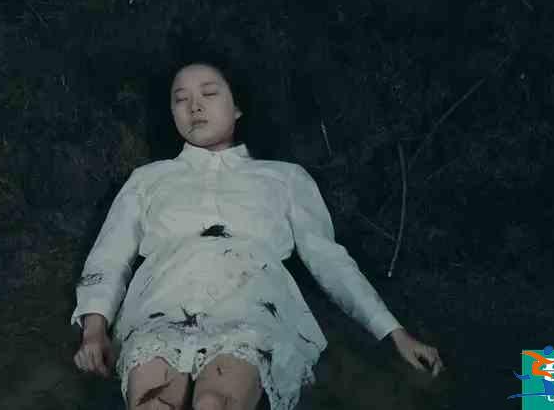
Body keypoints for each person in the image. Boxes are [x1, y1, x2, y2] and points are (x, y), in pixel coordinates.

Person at [71, 61, 444, 410]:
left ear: (237, 107)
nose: (195, 106)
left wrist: (393, 331)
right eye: (181, 99)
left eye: (209, 93)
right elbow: (110, 255)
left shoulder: (285, 177)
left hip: (251, 307)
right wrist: (94, 330)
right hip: (159, 305)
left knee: (214, 403)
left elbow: (329, 260)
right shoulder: (148, 179)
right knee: (154, 404)